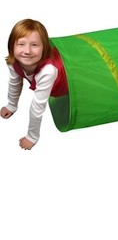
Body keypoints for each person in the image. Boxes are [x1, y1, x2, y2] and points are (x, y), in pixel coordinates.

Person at [1, 19, 68, 150]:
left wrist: (32, 137)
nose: (27, 51)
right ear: (12, 46)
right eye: (21, 44)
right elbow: (14, 83)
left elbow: (37, 107)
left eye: (34, 45)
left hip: (66, 84)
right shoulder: (13, 62)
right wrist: (11, 105)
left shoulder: (47, 71)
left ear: (44, 48)